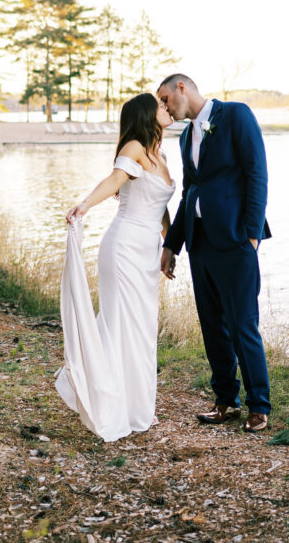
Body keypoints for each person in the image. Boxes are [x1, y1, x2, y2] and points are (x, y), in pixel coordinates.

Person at [157, 74, 273, 432]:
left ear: (182, 88)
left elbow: (257, 175)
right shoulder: (187, 136)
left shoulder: (236, 115)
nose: (164, 107)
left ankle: (259, 405)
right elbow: (189, 191)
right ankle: (226, 401)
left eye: (165, 99)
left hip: (236, 241)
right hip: (201, 243)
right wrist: (172, 244)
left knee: (242, 325)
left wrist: (251, 237)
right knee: (212, 327)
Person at [57, 93, 175, 441]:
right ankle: (107, 402)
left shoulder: (162, 154)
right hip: (122, 249)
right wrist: (84, 205)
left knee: (141, 328)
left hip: (147, 254)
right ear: (145, 115)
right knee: (120, 325)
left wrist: (169, 245)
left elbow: (160, 206)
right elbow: (113, 180)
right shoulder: (135, 147)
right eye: (161, 106)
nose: (167, 109)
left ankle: (137, 408)